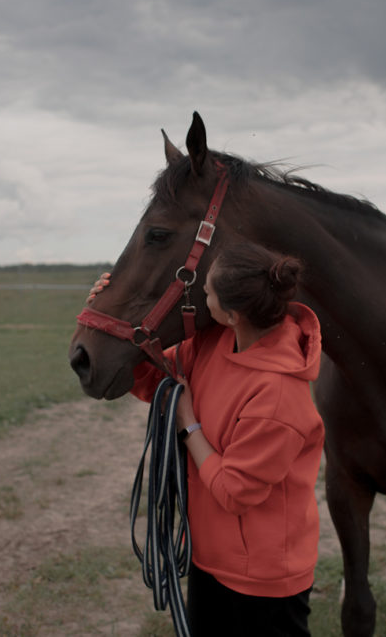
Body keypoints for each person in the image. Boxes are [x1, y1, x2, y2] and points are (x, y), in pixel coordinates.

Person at [118, 243, 324, 636]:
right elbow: (154, 380)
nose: (201, 298)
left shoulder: (278, 397)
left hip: (262, 577)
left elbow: (234, 491)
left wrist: (189, 424)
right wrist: (110, 315)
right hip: (210, 556)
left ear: (232, 313)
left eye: (207, 292)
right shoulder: (215, 343)